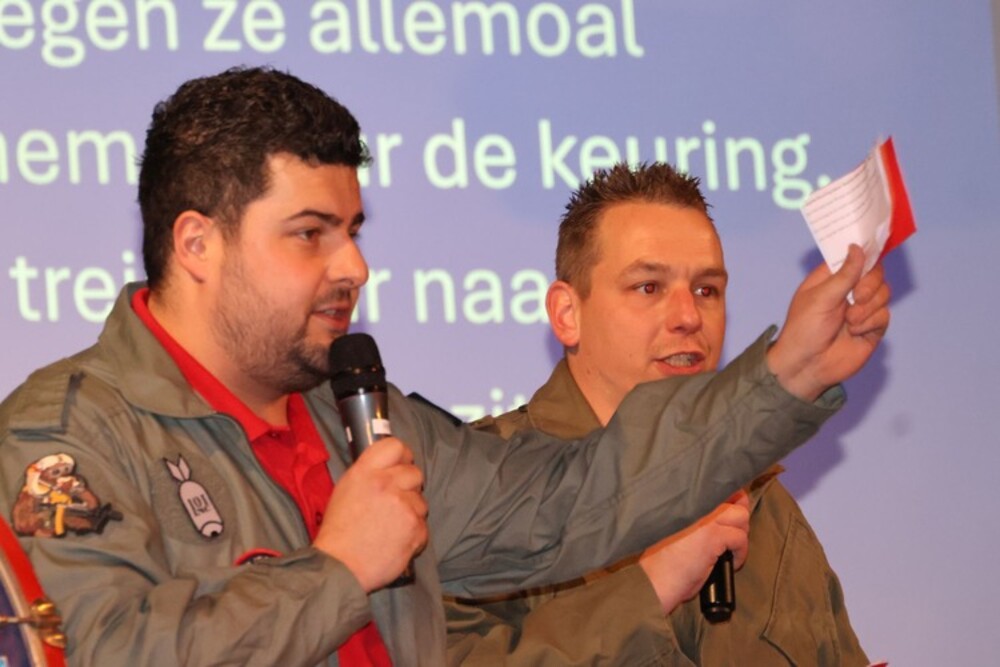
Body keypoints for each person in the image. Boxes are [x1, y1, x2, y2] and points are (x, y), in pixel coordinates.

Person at [0, 67, 888, 666]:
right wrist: (338, 568)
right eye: (311, 234)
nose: (354, 266)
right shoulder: (67, 433)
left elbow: (577, 496)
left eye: (354, 231)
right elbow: (102, 650)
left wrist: (787, 372)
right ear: (198, 243)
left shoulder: (361, 416)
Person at [446, 162, 879, 665]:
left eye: (706, 290)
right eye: (648, 287)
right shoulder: (475, 487)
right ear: (567, 313)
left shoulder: (764, 507)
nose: (689, 317)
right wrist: (649, 589)